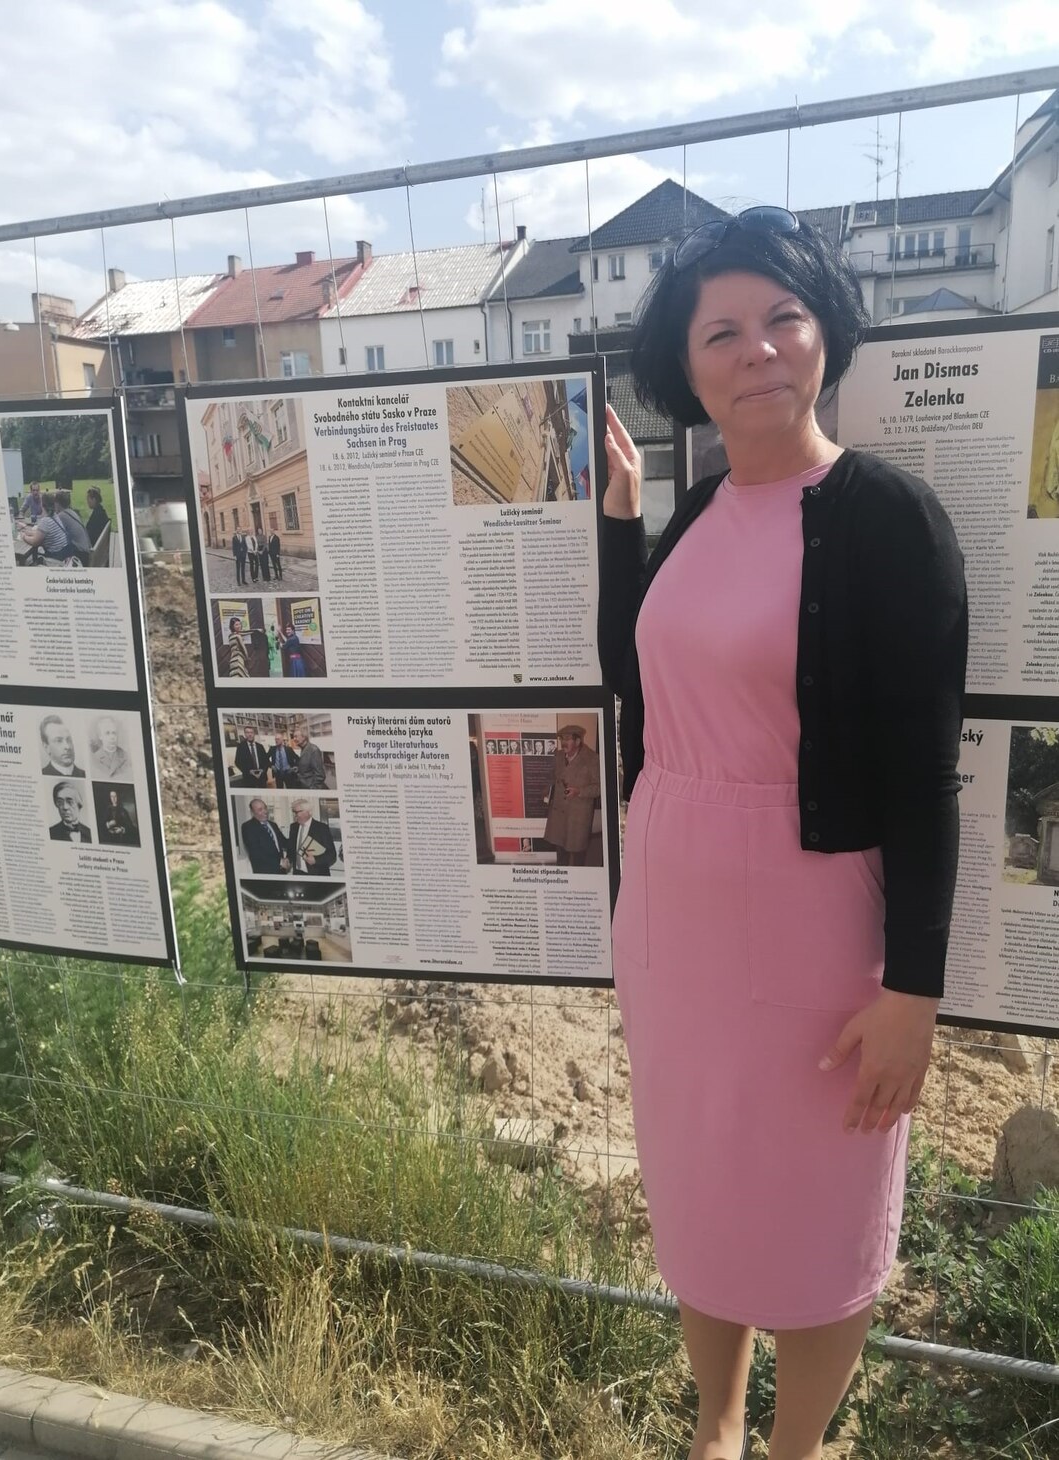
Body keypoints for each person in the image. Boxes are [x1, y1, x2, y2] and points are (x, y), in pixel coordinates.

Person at [599, 207, 967, 1460]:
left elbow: (926, 777)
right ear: (686, 364)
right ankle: (710, 1430)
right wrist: (618, 525)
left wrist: (913, 986)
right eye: (722, 330)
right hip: (674, 917)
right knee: (702, 1183)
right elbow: (639, 687)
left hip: (817, 927)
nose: (757, 349)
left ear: (825, 334)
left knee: (820, 1200)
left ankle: (795, 1446)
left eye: (783, 318)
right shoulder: (695, 514)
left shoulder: (888, 519)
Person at [542, 724, 600, 866]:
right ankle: (562, 879)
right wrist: (547, 791)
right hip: (559, 813)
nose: (563, 742)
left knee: (578, 854)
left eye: (567, 739)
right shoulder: (559, 755)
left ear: (578, 741)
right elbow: (552, 777)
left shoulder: (592, 759)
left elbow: (600, 787)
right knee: (561, 853)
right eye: (562, 738)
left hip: (578, 815)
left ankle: (578, 884)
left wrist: (580, 791)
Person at [286, 798, 337, 876]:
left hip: (317, 874)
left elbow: (332, 855)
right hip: (298, 874)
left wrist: (316, 860)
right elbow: (291, 849)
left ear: (308, 812)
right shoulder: (293, 827)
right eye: (294, 812)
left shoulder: (321, 828)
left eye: (297, 812)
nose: (294, 815)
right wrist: (288, 860)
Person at [240, 797, 291, 874]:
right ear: (252, 812)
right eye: (260, 810)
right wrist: (279, 862)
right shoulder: (248, 827)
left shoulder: (273, 825)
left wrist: (288, 858)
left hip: (281, 871)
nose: (265, 811)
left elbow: (284, 842)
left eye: (265, 808)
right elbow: (256, 852)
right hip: (265, 872)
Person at [20, 494, 74, 563]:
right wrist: (28, 532)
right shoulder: (54, 515)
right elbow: (42, 533)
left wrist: (23, 536)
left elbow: (34, 542)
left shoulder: (45, 521)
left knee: (28, 561)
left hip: (56, 559)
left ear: (42, 504)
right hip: (65, 554)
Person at [53, 490, 94, 560]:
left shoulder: (61, 516)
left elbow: (52, 533)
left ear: (57, 503)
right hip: (87, 550)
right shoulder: (72, 512)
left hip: (80, 555)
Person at [91, 715, 131, 779]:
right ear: (100, 736)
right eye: (107, 733)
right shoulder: (94, 758)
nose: (112, 737)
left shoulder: (126, 756)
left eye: (114, 733)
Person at [234, 723, 270, 788]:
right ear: (245, 734)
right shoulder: (240, 747)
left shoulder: (260, 746)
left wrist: (263, 770)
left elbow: (266, 761)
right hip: (249, 779)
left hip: (262, 778)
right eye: (247, 732)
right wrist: (249, 771)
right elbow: (237, 762)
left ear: (254, 734)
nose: (250, 734)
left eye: (251, 732)